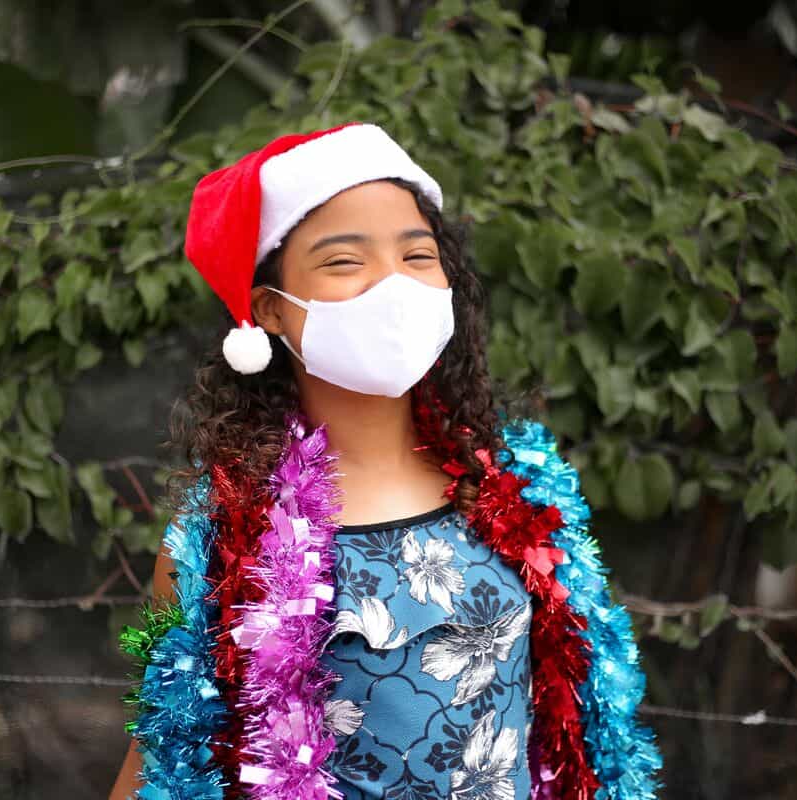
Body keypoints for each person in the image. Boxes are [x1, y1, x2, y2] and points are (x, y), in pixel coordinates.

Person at [109, 122, 662, 800]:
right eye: (345, 261)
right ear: (271, 311)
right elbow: (156, 749)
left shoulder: (519, 485)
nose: (392, 285)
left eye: (418, 255)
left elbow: (587, 721)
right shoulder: (214, 537)